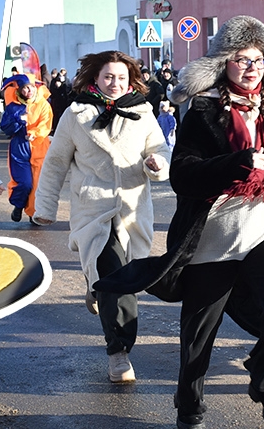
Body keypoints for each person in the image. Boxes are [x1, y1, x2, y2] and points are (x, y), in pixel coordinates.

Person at [94, 16, 264, 429]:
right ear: (223, 64)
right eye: (241, 59)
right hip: (213, 236)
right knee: (198, 337)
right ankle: (189, 405)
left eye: (258, 59)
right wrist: (233, 164)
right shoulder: (203, 109)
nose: (251, 67)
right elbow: (184, 174)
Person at [32, 50, 171, 384]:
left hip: (132, 209)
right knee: (115, 278)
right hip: (93, 210)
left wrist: (157, 164)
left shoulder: (142, 112)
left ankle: (95, 290)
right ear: (95, 78)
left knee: (125, 278)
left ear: (130, 80)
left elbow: (160, 148)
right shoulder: (75, 115)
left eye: (121, 78)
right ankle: (119, 353)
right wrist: (45, 209)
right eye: (109, 77)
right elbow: (54, 164)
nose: (114, 83)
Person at [0, 74, 53, 222]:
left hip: (39, 146)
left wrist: (34, 133)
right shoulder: (13, 107)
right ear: (19, 91)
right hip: (19, 148)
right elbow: (6, 128)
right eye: (24, 88)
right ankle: (18, 205)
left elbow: (46, 124)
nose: (28, 91)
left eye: (30, 87)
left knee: (37, 184)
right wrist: (17, 122)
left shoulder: (43, 104)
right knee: (24, 182)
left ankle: (32, 213)